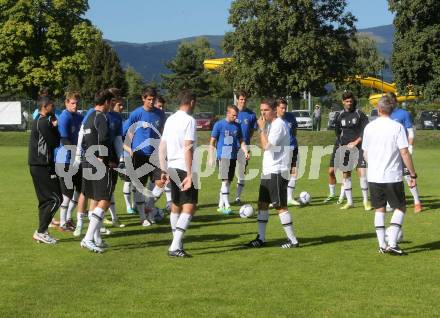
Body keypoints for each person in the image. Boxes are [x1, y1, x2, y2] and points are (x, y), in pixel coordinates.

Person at [362, 95, 417, 255]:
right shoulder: (396, 127)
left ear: (378, 109)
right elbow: (405, 152)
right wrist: (412, 174)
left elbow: (365, 153)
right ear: (391, 110)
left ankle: (382, 245)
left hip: (374, 176)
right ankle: (392, 242)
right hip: (392, 175)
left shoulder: (369, 127)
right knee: (400, 207)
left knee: (379, 209)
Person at [245, 98, 299, 249]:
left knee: (280, 206)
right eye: (261, 110)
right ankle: (261, 238)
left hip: (277, 171)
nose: (263, 113)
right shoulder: (271, 125)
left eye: (266, 110)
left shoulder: (278, 125)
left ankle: (293, 240)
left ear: (274, 110)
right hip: (268, 171)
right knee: (262, 204)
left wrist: (261, 129)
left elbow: (266, 146)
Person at [159, 90, 198, 258]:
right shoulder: (189, 120)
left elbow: (162, 146)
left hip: (172, 166)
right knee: (189, 206)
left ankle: (177, 243)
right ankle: (175, 246)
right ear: (191, 102)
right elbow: (187, 147)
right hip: (184, 167)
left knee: (176, 205)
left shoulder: (170, 119)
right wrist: (190, 174)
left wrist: (163, 169)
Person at [80, 89, 117, 253]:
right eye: (112, 103)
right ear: (107, 102)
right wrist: (104, 157)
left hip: (87, 162)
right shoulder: (101, 117)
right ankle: (88, 238)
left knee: (95, 199)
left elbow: (84, 140)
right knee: (104, 200)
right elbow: (103, 138)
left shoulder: (88, 118)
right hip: (99, 165)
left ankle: (96, 238)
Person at [123, 87, 166, 226]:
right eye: (149, 99)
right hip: (139, 155)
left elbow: (163, 132)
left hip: (155, 155)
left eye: (153, 99)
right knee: (140, 186)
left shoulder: (160, 114)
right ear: (143, 98)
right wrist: (129, 148)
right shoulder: (136, 114)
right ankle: (143, 217)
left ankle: (149, 204)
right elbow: (126, 132)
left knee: (162, 181)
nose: (151, 102)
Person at [324, 91, 372, 211]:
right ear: (343, 102)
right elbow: (337, 132)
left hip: (360, 147)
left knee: (362, 172)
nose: (349, 103)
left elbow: (365, 131)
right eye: (346, 101)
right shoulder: (339, 115)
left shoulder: (360, 114)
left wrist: (355, 142)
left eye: (350, 101)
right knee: (346, 173)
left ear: (353, 101)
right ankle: (350, 202)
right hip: (345, 147)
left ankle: (366, 201)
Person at [29, 96, 62, 244]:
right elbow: (55, 142)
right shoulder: (43, 122)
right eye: (52, 106)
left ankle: (43, 232)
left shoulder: (39, 121)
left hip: (38, 165)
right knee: (56, 198)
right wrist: (55, 127)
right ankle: (41, 231)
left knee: (44, 201)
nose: (53, 108)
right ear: (45, 107)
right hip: (42, 165)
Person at [209, 105, 249, 215]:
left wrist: (245, 151)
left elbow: (241, 141)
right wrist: (211, 156)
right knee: (225, 181)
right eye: (233, 115)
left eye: (236, 115)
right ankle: (227, 206)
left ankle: (220, 205)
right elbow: (212, 142)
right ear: (227, 113)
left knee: (228, 182)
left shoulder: (237, 126)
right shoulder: (219, 125)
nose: (235, 117)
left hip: (233, 157)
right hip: (222, 156)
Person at [387, 92, 422, 213]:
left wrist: (410, 146)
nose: (390, 103)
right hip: (390, 152)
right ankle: (391, 202)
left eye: (392, 101)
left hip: (403, 150)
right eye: (388, 101)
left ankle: (417, 202)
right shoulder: (385, 114)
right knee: (390, 176)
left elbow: (410, 132)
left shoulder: (403, 114)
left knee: (408, 176)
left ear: (396, 101)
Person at [54, 91, 83, 232]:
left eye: (77, 103)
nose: (75, 105)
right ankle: (62, 223)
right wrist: (76, 152)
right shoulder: (64, 117)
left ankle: (69, 218)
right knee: (67, 192)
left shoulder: (79, 117)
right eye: (72, 103)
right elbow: (64, 139)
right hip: (64, 160)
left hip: (76, 160)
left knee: (81, 188)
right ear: (66, 103)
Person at [103, 94, 126, 228]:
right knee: (100, 191)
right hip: (99, 157)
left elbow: (118, 138)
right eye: (119, 104)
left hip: (113, 158)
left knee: (110, 188)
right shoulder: (99, 114)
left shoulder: (117, 117)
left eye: (123, 104)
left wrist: (121, 158)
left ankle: (114, 217)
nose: (121, 107)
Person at [277, 98, 301, 206]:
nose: (283, 110)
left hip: (293, 148)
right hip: (280, 151)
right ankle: (277, 197)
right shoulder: (273, 120)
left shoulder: (291, 117)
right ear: (276, 108)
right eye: (281, 108)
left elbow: (294, 131)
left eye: (285, 108)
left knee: (294, 172)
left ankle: (290, 197)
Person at [234, 90, 257, 204]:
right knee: (227, 173)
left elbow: (252, 130)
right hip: (231, 147)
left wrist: (245, 141)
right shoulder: (232, 112)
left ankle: (238, 197)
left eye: (245, 99)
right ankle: (224, 198)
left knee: (241, 172)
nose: (243, 101)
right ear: (237, 100)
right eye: (241, 99)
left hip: (244, 148)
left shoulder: (251, 115)